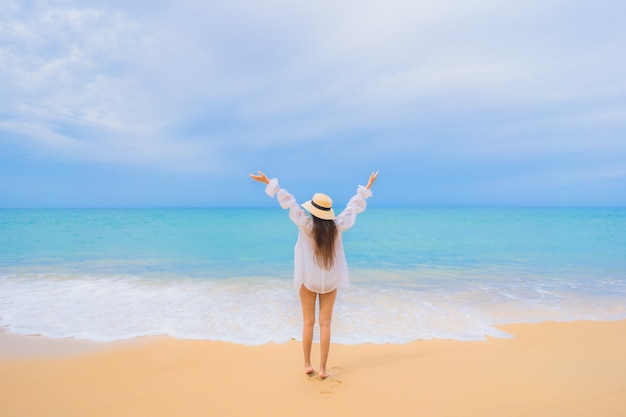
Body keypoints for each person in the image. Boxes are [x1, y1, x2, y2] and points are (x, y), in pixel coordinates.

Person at [249, 170, 379, 378]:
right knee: (325, 323)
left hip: (308, 281)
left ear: (313, 210)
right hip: (330, 283)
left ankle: (308, 364)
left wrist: (269, 183)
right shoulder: (336, 227)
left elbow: (289, 202)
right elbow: (352, 208)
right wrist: (367, 186)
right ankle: (323, 369)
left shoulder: (306, 225)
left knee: (308, 322)